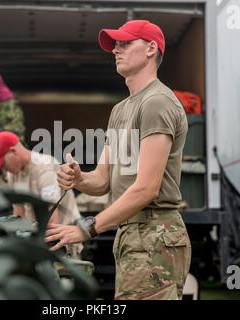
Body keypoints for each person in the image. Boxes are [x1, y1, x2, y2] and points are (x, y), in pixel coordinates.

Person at [46, 20, 191, 300]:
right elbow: (102, 180)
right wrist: (78, 178)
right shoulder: (120, 110)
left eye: (125, 43)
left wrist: (87, 227)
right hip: (132, 235)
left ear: (151, 49)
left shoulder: (157, 102)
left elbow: (147, 188)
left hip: (155, 233)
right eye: (115, 44)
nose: (116, 49)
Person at [0, 131, 83, 259]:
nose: (4, 170)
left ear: (13, 151)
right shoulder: (13, 174)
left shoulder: (46, 167)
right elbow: (18, 216)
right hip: (38, 239)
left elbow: (52, 222)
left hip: (64, 244)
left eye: (3, 164)